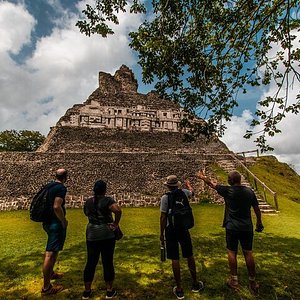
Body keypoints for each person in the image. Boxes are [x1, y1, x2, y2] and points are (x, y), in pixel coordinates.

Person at [197, 169, 264, 294]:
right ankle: (252, 282)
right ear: (239, 180)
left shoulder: (228, 191)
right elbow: (256, 208)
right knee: (248, 253)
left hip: (232, 226)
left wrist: (202, 177)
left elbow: (211, 184)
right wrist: (259, 222)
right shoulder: (249, 192)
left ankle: (234, 280)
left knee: (232, 252)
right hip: (246, 227)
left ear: (230, 181)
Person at [160, 175, 204, 300]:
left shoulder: (165, 198)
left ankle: (179, 289)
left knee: (175, 258)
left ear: (168, 185)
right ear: (177, 185)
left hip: (171, 230)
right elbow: (192, 193)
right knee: (189, 254)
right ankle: (195, 283)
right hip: (183, 228)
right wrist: (189, 185)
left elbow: (163, 217)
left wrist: (161, 234)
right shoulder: (184, 193)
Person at [82, 180, 122, 300]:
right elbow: (118, 210)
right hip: (106, 233)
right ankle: (109, 290)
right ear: (104, 190)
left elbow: (86, 213)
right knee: (107, 261)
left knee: (91, 262)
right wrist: (115, 223)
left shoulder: (89, 201)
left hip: (92, 233)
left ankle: (87, 291)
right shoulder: (107, 200)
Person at [41, 168, 68, 296]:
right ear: (66, 177)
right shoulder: (61, 188)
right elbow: (57, 206)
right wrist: (63, 221)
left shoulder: (48, 186)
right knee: (50, 254)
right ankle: (46, 288)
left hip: (46, 222)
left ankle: (51, 273)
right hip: (55, 223)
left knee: (54, 250)